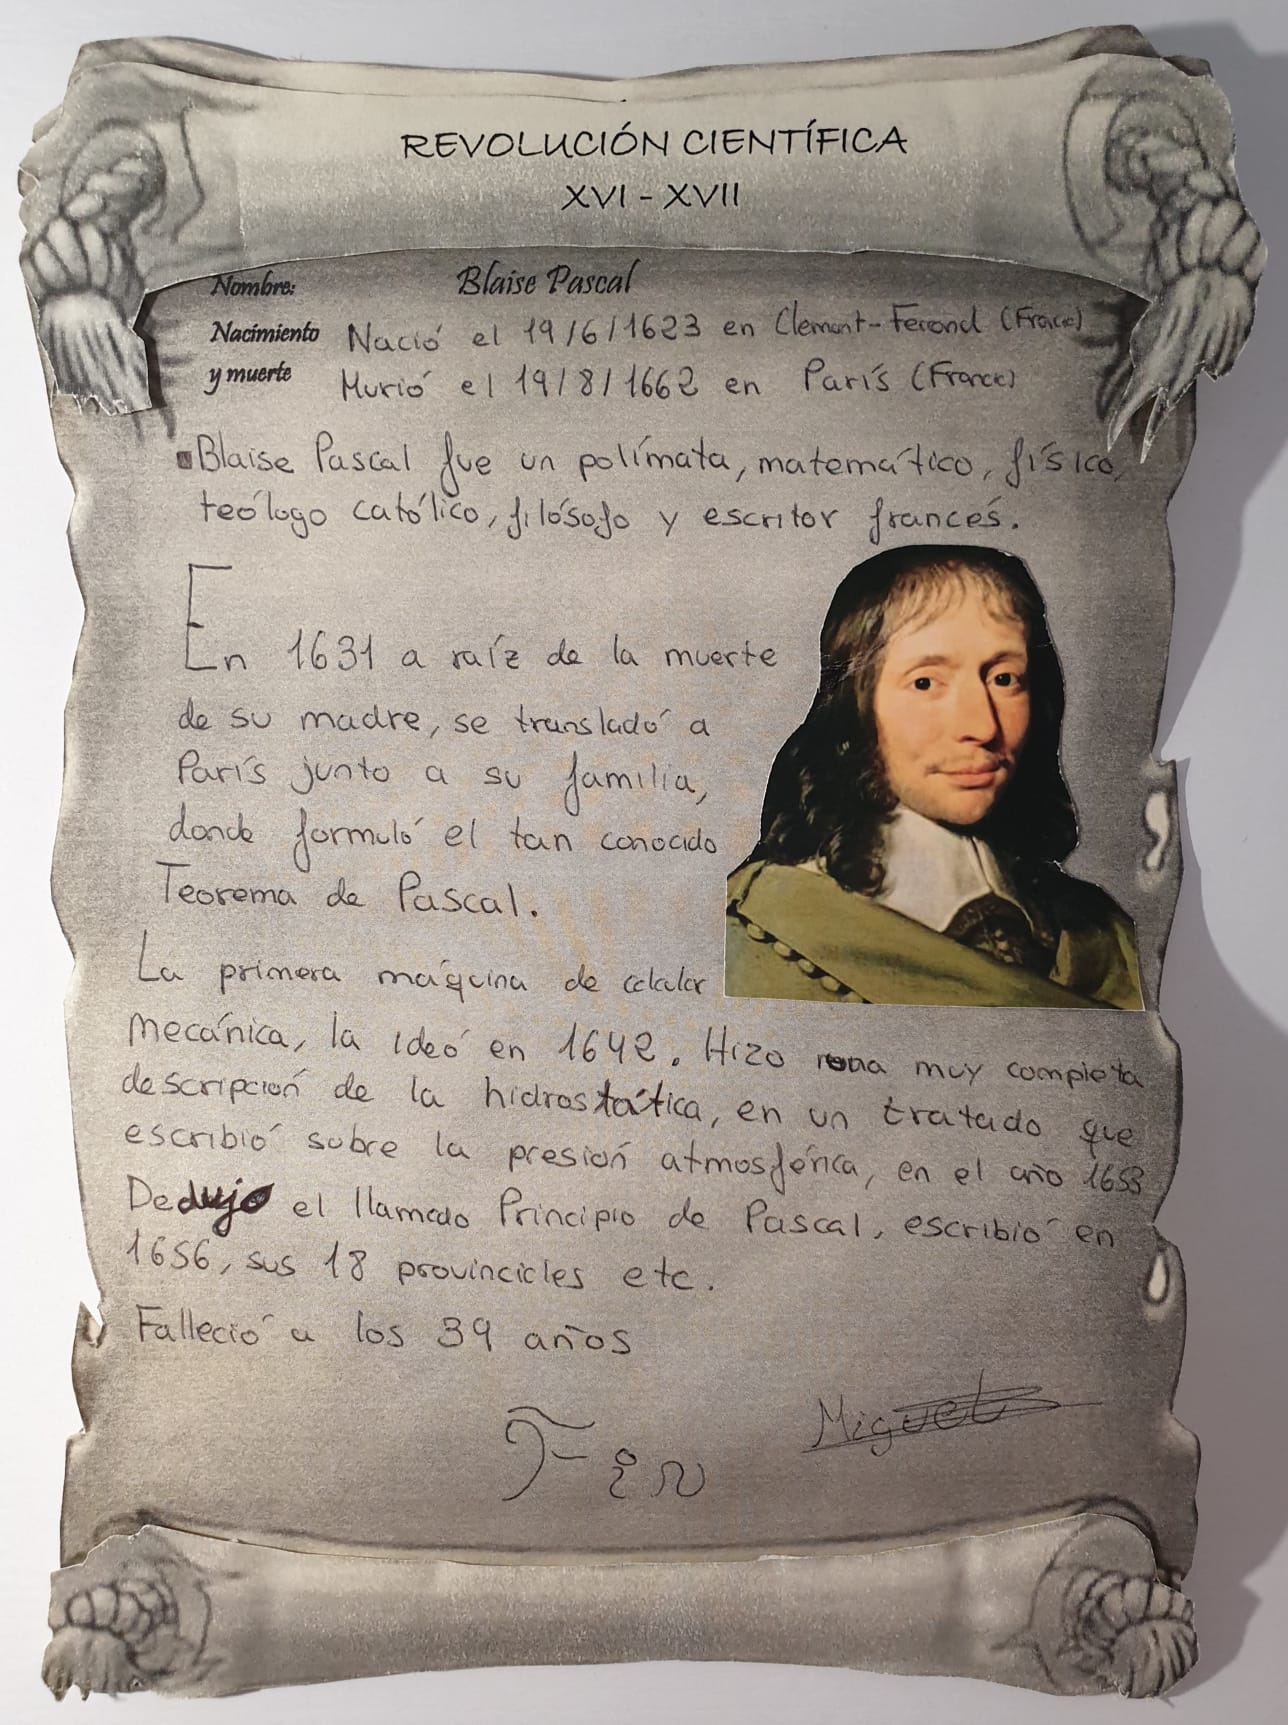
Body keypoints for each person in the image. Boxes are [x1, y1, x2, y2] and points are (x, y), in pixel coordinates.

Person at [725, 545, 1143, 1008]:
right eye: (925, 683)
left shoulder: (1106, 936)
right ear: (856, 705)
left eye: (1004, 679)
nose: (982, 727)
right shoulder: (760, 931)